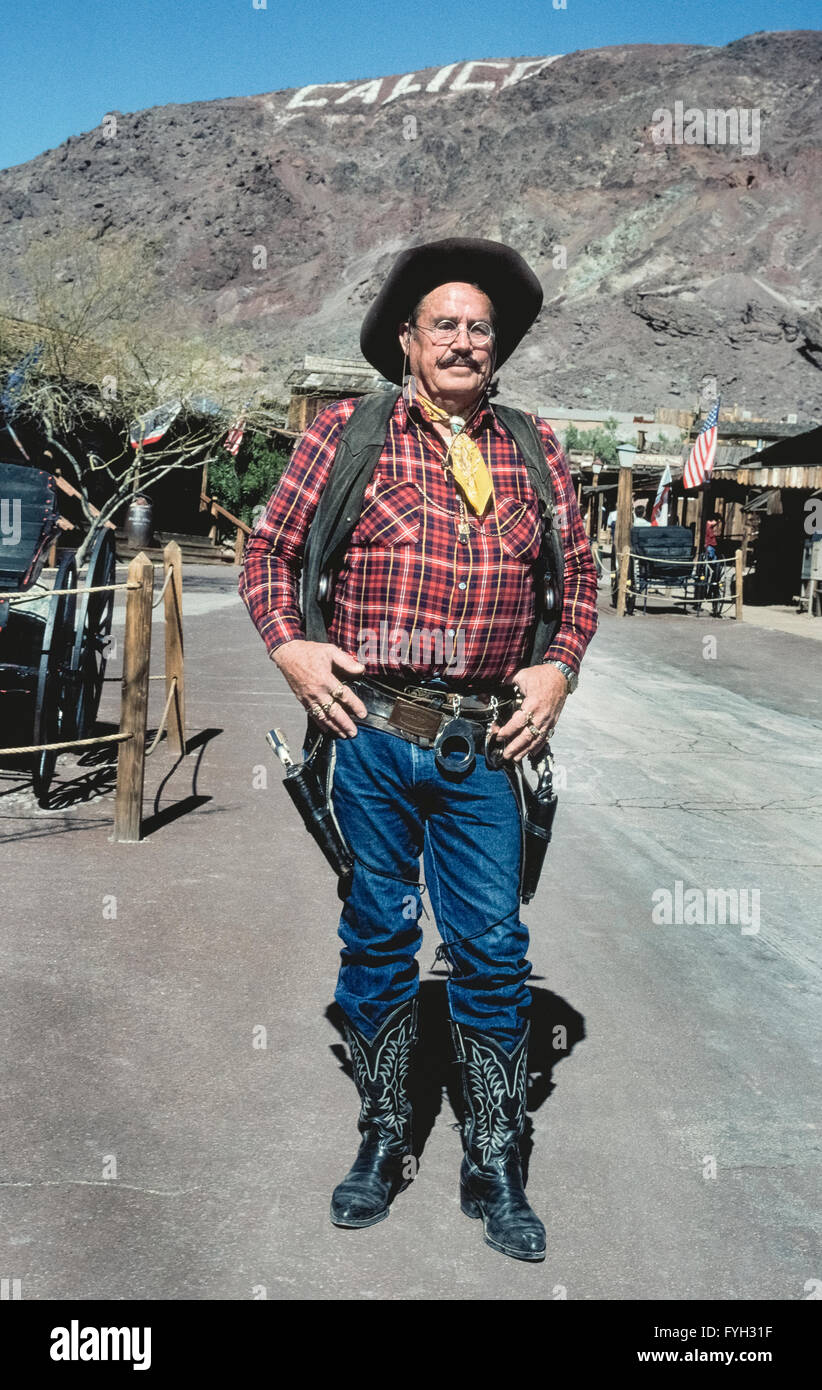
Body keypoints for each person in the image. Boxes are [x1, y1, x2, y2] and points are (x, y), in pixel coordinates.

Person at [239, 238, 598, 1263]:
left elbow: (578, 586)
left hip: (484, 747)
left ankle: (493, 1154)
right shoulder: (346, 436)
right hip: (374, 738)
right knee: (380, 941)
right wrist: (295, 650)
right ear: (406, 340)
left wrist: (558, 670)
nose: (463, 340)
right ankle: (385, 1136)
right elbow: (266, 551)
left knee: (492, 950)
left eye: (479, 327)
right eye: (442, 323)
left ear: (499, 348)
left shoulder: (537, 449)